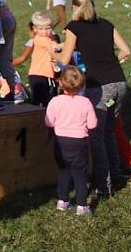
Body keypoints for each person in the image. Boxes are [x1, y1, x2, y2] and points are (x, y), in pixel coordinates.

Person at [49, 0, 131, 198]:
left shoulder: (74, 27)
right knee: (109, 132)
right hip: (119, 84)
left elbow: (65, 59)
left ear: (75, 8)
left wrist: (51, 51)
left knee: (96, 139)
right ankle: (117, 173)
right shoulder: (106, 24)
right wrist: (113, 63)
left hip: (99, 87)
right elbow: (126, 50)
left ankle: (104, 187)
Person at [44, 66, 97, 216]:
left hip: (60, 142)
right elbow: (92, 124)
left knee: (64, 171)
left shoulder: (55, 101)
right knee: (80, 174)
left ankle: (63, 201)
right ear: (81, 85)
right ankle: (82, 206)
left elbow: (49, 122)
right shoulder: (85, 102)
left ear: (60, 83)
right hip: (79, 143)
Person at [28, 11, 59, 107]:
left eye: (48, 28)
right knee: (48, 101)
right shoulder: (42, 39)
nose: (45, 31)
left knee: (38, 101)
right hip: (43, 75)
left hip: (37, 74)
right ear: (35, 29)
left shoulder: (46, 38)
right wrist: (70, 44)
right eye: (41, 29)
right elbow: (56, 48)